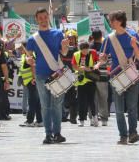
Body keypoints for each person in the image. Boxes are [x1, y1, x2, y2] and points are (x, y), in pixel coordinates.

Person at [24, 8, 70, 144]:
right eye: (40, 18)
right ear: (37, 20)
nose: (43, 20)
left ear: (48, 17)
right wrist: (28, 60)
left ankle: (57, 133)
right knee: (45, 106)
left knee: (57, 105)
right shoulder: (33, 38)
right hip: (41, 74)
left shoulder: (58, 34)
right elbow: (29, 56)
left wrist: (65, 46)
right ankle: (48, 134)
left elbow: (65, 53)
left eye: (45, 17)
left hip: (57, 74)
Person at [101, 10, 139, 145]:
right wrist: (101, 59)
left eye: (111, 20)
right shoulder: (109, 38)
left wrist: (134, 46)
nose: (110, 23)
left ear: (118, 21)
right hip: (116, 74)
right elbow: (102, 57)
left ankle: (133, 133)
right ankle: (123, 135)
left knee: (132, 106)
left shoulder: (132, 35)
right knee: (119, 109)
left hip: (131, 72)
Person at [73, 39, 99, 126]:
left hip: (91, 79)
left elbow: (98, 62)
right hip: (81, 81)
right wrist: (82, 68)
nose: (85, 51)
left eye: (86, 49)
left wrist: (91, 68)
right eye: (83, 49)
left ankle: (95, 118)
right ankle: (82, 120)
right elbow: (74, 66)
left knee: (91, 100)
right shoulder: (76, 55)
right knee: (81, 101)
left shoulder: (93, 53)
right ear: (80, 49)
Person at [91, 29, 111, 125]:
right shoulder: (105, 48)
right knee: (103, 97)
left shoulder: (89, 48)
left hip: (91, 75)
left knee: (92, 97)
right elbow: (109, 61)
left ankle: (92, 117)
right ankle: (104, 119)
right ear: (101, 35)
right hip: (103, 75)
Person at [18, 48, 42, 126]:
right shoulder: (26, 56)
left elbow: (33, 67)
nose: (20, 50)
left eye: (21, 49)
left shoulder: (29, 56)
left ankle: (30, 121)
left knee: (32, 101)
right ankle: (40, 120)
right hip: (30, 81)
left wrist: (34, 78)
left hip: (32, 82)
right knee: (37, 102)